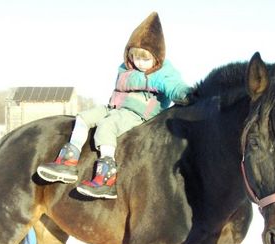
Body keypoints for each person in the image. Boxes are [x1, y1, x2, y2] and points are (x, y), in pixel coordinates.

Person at [37, 12, 193, 199]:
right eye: (136, 57)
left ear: (157, 58)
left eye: (146, 59)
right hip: (115, 107)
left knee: (107, 126)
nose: (140, 63)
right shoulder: (126, 69)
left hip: (138, 114)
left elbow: (174, 86)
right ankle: (68, 161)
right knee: (83, 117)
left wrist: (188, 95)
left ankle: (106, 176)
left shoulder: (163, 73)